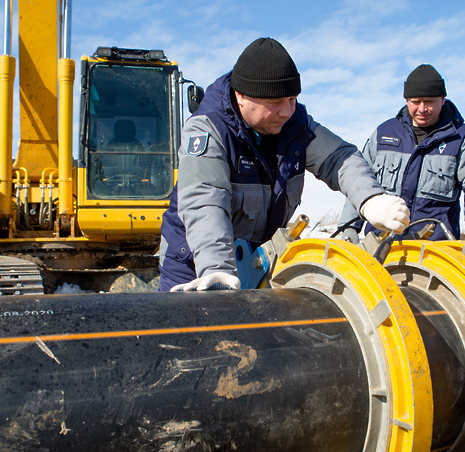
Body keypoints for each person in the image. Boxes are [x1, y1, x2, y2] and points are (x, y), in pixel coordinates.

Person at [158, 37, 410, 291]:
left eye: (292, 99)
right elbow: (205, 200)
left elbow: (337, 157)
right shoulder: (208, 129)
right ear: (242, 96)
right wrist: (216, 268)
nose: (287, 111)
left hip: (258, 263)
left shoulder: (295, 126)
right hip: (196, 266)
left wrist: (370, 198)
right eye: (276, 103)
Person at [339, 64, 465, 245]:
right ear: (406, 100)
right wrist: (348, 227)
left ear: (442, 100)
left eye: (429, 101)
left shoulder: (463, 138)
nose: (422, 109)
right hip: (378, 245)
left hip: (435, 251)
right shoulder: (383, 134)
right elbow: (360, 181)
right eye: (415, 101)